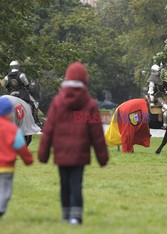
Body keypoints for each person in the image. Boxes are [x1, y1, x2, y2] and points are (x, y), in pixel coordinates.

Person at [38, 62, 109, 225]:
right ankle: (76, 216)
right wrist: (102, 157)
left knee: (64, 184)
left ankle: (65, 213)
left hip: (61, 152)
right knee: (76, 183)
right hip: (80, 153)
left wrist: (43, 153)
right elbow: (97, 133)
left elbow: (49, 129)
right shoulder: (90, 104)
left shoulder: (57, 102)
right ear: (85, 80)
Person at [1, 61, 41, 125]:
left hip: (11, 93)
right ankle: (36, 119)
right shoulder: (22, 75)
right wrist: (30, 90)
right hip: (22, 93)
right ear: (18, 66)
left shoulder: (6, 77)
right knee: (33, 103)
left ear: (10, 67)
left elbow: (4, 86)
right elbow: (27, 85)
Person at [146, 64, 167, 128]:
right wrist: (151, 102)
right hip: (156, 98)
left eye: (160, 71)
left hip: (161, 96)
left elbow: (162, 90)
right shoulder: (152, 81)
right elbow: (150, 91)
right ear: (154, 72)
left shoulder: (158, 80)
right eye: (158, 71)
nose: (159, 72)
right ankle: (165, 124)